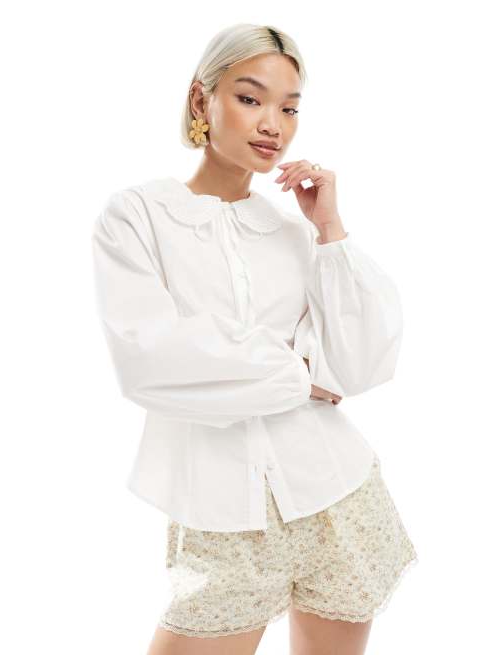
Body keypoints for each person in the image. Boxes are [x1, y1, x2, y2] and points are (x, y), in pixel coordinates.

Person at [91, 22, 418, 655]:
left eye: (290, 108)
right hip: (221, 524)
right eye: (249, 98)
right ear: (201, 99)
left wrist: (329, 228)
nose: (273, 124)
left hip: (339, 501)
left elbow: (357, 363)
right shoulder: (138, 216)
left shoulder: (294, 232)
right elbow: (152, 360)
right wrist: (300, 375)